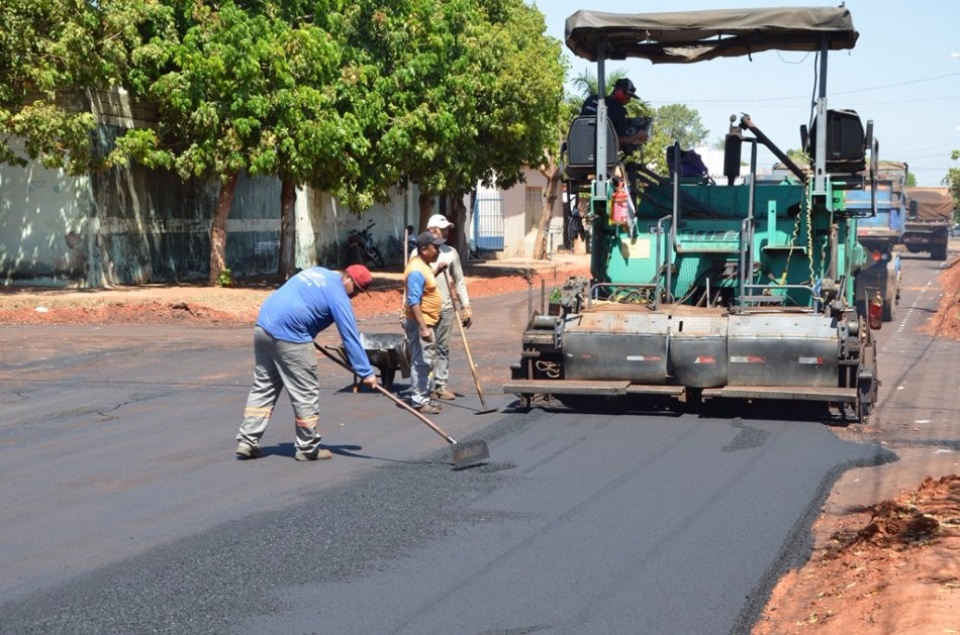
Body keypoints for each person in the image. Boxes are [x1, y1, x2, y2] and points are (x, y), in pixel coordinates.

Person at [235, 264, 377, 461]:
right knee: (305, 392)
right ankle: (307, 447)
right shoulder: (339, 296)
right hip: (291, 336)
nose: (355, 296)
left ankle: (247, 441)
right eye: (357, 291)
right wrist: (366, 372)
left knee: (264, 387)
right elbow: (350, 336)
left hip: (264, 326)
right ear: (347, 279)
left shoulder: (317, 271)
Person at [422, 214, 472, 401]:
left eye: (446, 229)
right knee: (426, 349)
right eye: (442, 229)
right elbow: (409, 284)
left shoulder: (450, 253)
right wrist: (405, 310)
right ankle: (424, 386)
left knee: (442, 348)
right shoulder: (417, 253)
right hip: (425, 310)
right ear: (431, 229)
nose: (446, 232)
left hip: (446, 309)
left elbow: (459, 282)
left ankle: (440, 385)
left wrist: (466, 306)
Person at [403, 231, 447, 414]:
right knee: (422, 361)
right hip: (422, 322)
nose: (438, 250)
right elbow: (414, 301)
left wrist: (437, 271)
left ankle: (424, 396)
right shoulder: (415, 270)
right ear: (423, 249)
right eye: (434, 247)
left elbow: (425, 287)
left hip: (428, 320)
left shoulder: (424, 265)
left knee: (427, 360)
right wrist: (423, 328)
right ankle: (420, 401)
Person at [579, 77, 649, 151]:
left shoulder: (590, 99)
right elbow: (619, 141)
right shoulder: (619, 110)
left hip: (581, 151)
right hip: (603, 154)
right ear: (619, 93)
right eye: (628, 98)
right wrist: (637, 136)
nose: (629, 101)